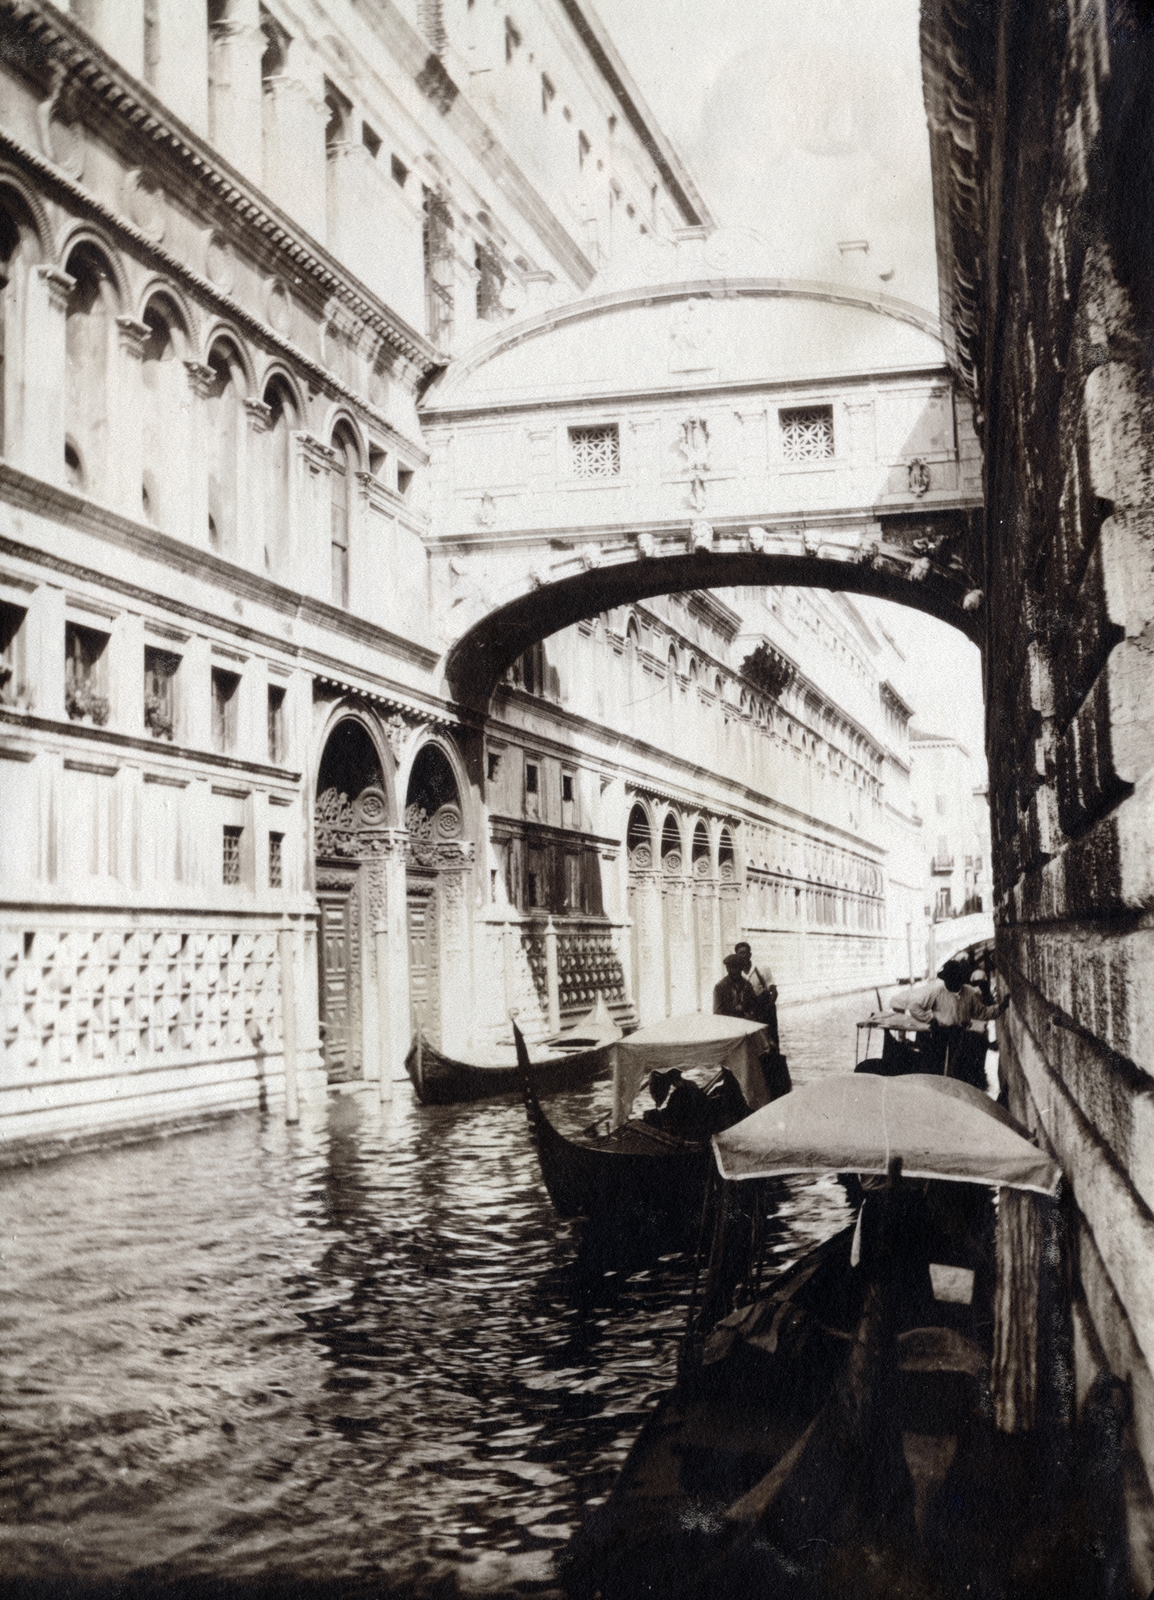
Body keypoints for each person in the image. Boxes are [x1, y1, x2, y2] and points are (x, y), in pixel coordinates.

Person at [890, 958, 1008, 1079]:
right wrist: (929, 1020)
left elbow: (983, 1012)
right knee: (936, 1068)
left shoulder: (969, 994)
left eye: (951, 980)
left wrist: (1001, 1007)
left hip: (959, 1035)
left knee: (957, 1069)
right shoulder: (937, 992)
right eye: (946, 980)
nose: (948, 983)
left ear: (958, 980)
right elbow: (914, 1006)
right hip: (940, 1034)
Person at [735, 941, 778, 1045]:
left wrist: (766, 1010)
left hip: (766, 1010)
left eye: (745, 952)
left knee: (771, 1042)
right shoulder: (737, 975)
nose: (743, 956)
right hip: (750, 1012)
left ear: (750, 954)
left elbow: (774, 992)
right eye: (740, 953)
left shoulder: (762, 969)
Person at [713, 952, 757, 1019]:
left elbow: (753, 1006)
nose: (734, 971)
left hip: (746, 1023)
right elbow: (717, 1012)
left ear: (741, 968)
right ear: (727, 969)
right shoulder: (720, 987)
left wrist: (750, 1015)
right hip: (728, 1023)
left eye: (737, 967)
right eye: (731, 967)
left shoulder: (747, 985)